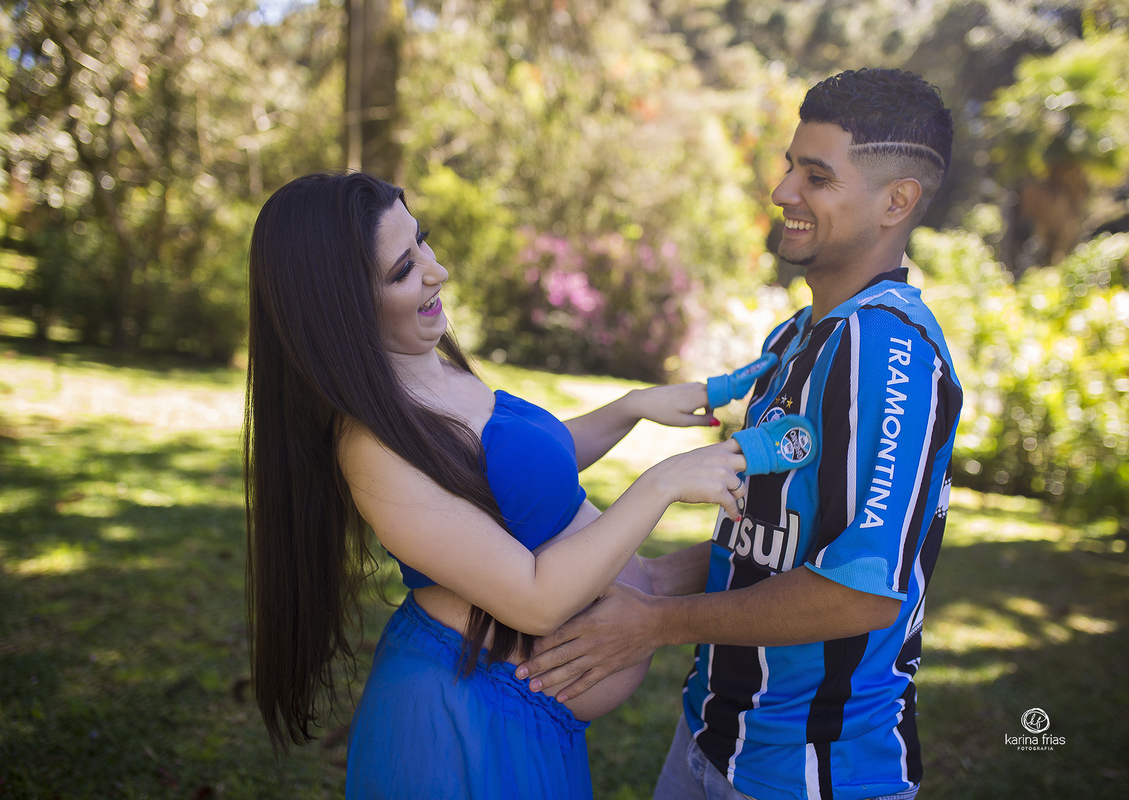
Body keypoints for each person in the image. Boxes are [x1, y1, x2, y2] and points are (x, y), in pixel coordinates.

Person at [516, 68, 965, 800]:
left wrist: (656, 623)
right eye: (791, 166)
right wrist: (655, 578)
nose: (784, 191)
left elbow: (860, 592)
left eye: (816, 176)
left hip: (811, 776)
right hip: (711, 740)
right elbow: (782, 540)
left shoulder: (887, 351)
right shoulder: (799, 335)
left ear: (897, 201)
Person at [243, 170, 751, 799]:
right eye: (403, 270)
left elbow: (523, 472)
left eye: (421, 240)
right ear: (341, 310)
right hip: (469, 729)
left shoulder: (427, 364)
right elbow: (534, 601)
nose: (436, 271)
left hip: (517, 718)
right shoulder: (372, 449)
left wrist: (630, 408)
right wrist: (661, 483)